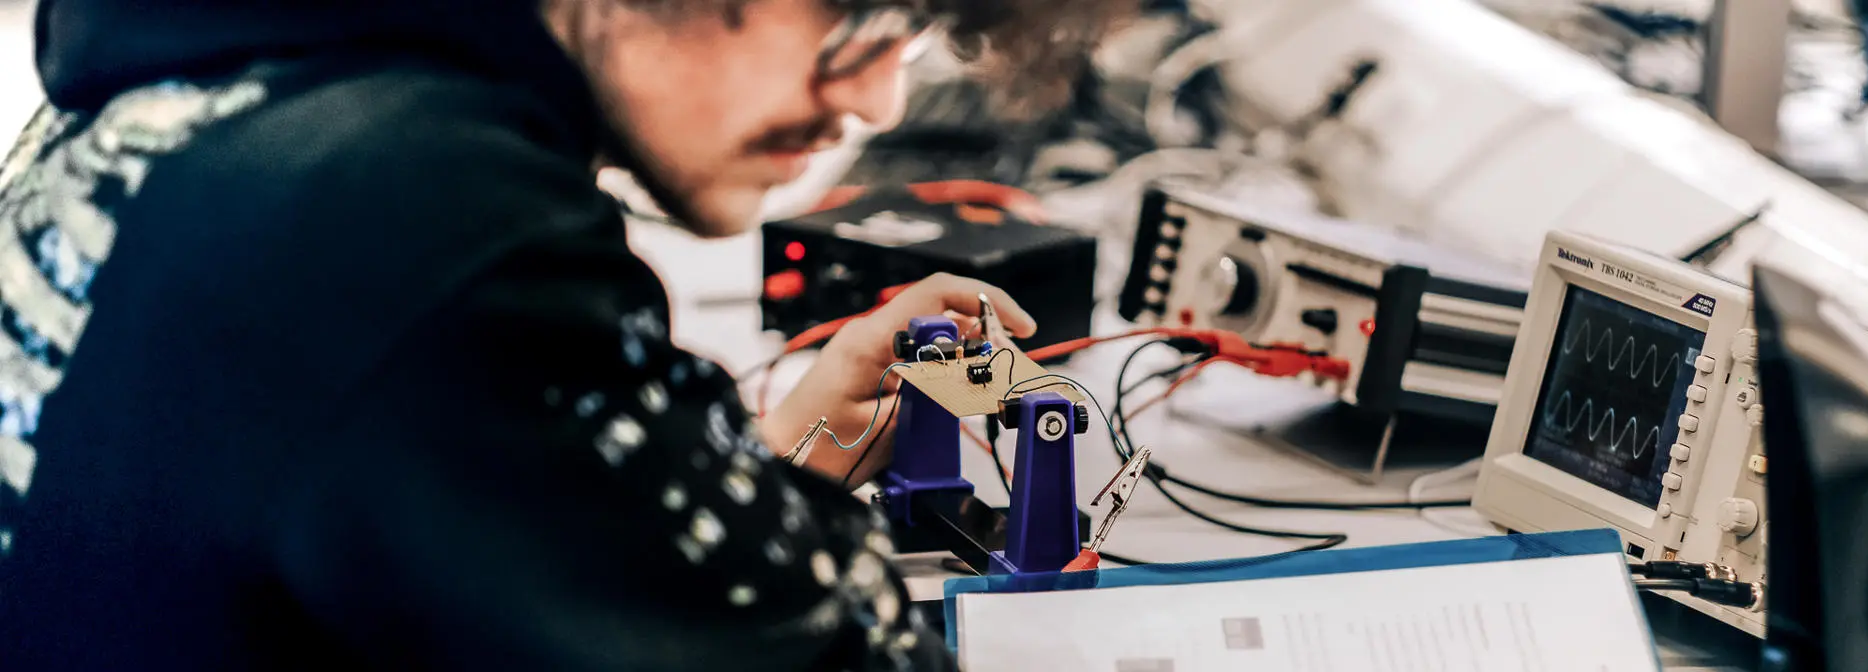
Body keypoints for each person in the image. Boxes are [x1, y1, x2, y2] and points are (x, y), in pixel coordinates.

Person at [0, 0, 1134, 668]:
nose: (882, 100)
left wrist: (757, 471)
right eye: (860, 18)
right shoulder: (431, 212)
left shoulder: (218, 84)